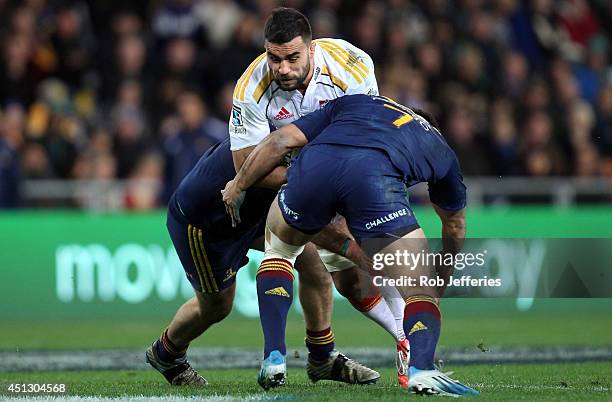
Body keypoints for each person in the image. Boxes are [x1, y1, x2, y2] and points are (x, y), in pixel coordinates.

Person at [222, 94, 479, 396]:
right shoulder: (441, 150)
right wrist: (437, 284)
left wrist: (238, 185)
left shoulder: (359, 103)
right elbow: (455, 226)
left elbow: (281, 141)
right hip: (374, 180)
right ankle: (421, 368)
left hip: (314, 167)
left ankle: (274, 357)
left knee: (279, 250)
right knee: (418, 287)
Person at [228, 7, 409, 389]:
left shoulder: (353, 65)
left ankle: (405, 337)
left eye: (293, 57)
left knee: (354, 272)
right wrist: (310, 182)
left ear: (311, 48)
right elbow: (248, 165)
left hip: (348, 168)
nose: (282, 68)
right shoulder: (250, 88)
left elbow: (365, 138)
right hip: (286, 182)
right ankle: (284, 356)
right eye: (274, 58)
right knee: (292, 252)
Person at [145, 137, 373, 385]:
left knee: (313, 263)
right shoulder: (274, 141)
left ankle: (322, 356)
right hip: (207, 222)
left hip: (252, 215)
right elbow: (308, 220)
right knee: (216, 307)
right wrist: (354, 251)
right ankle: (166, 353)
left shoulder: (303, 137)